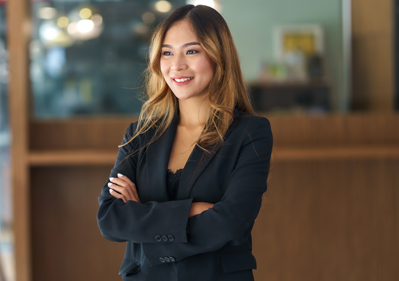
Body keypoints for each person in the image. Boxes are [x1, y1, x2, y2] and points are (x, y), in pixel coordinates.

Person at [97, 4, 273, 281]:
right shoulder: (140, 134)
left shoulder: (250, 133)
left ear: (218, 55)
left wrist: (142, 212)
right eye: (167, 53)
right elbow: (110, 219)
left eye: (192, 51)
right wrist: (192, 210)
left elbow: (230, 222)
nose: (177, 65)